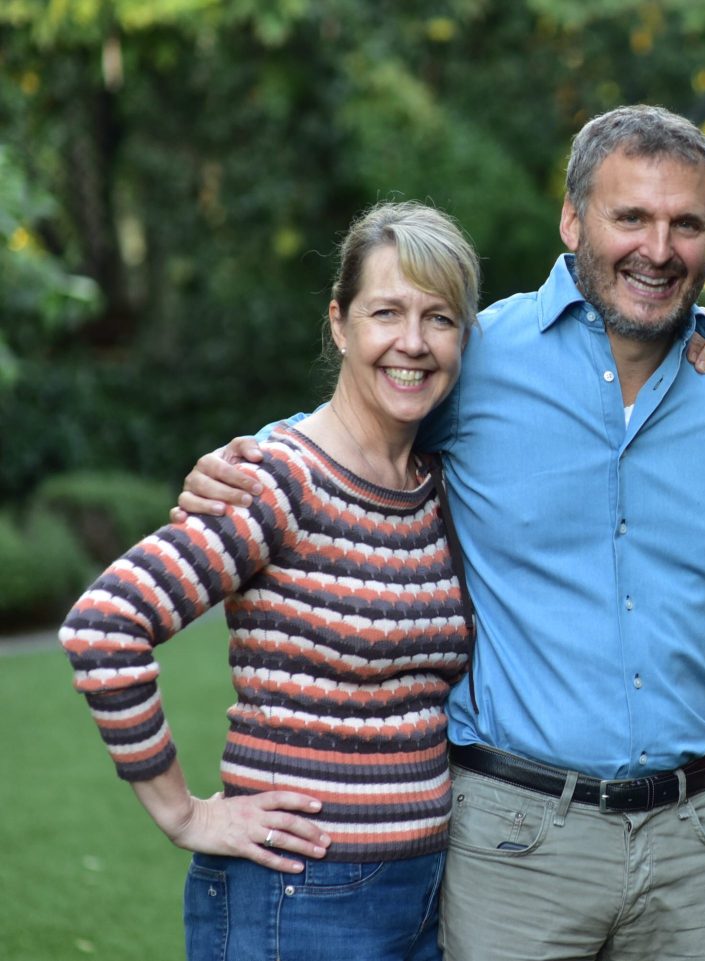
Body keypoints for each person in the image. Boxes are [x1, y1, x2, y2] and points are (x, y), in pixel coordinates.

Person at [176, 104, 705, 961]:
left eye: (686, 223)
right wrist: (249, 456)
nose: (658, 248)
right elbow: (358, 428)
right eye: (631, 217)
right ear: (574, 219)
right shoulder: (479, 357)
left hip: (696, 849)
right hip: (517, 840)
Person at [59, 201, 483, 961]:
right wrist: (184, 814)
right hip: (297, 898)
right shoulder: (278, 479)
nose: (413, 343)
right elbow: (104, 625)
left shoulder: (435, 485)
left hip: (424, 896)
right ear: (339, 323)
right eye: (386, 311)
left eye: (440, 318)